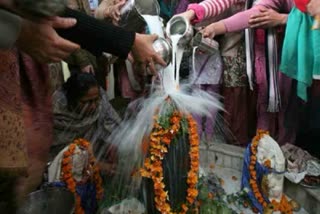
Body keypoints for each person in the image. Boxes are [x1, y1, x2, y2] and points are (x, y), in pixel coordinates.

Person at [178, 0, 256, 145]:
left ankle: (202, 134)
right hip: (207, 63)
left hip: (209, 63)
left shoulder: (214, 11)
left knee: (206, 100)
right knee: (205, 100)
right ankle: (201, 134)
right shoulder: (206, 9)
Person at [51, 72, 121, 162]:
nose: (93, 106)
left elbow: (113, 125)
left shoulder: (101, 103)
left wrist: (113, 143)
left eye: (96, 100)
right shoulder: (58, 117)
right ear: (72, 100)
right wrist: (98, 166)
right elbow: (61, 156)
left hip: (99, 155)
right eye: (86, 102)